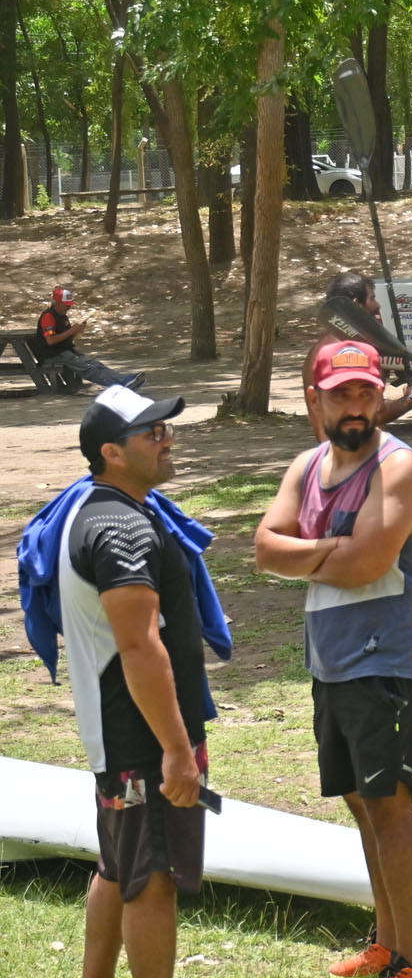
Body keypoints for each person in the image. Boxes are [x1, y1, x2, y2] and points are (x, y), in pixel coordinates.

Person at [254, 342, 412, 978]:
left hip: (386, 664)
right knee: (363, 806)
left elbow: (369, 564)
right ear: (316, 400)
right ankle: (387, 945)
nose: (357, 406)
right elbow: (263, 549)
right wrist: (339, 545)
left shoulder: (398, 467)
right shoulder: (306, 466)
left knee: (391, 806)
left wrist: (311, 549)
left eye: (366, 393)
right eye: (342, 394)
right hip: (330, 662)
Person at [59, 386, 209, 978]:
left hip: (121, 732)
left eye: (166, 428)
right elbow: (139, 645)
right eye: (153, 433)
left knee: (119, 866)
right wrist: (176, 750)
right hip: (142, 738)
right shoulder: (120, 530)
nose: (168, 439)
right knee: (153, 880)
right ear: (112, 453)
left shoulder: (102, 508)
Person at [306, 272, 412, 443]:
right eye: (372, 298)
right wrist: (411, 399)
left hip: (343, 457)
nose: (378, 306)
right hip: (357, 458)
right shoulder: (346, 349)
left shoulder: (322, 346)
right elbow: (375, 412)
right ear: (356, 305)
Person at [33, 286, 143, 391]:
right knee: (87, 368)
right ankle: (119, 385)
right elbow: (51, 340)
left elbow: (65, 337)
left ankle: (123, 380)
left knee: (96, 364)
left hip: (65, 350)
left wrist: (76, 331)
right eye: (66, 304)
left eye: (69, 304)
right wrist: (72, 330)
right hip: (53, 354)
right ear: (57, 303)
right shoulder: (48, 316)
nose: (69, 307)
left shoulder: (62, 316)